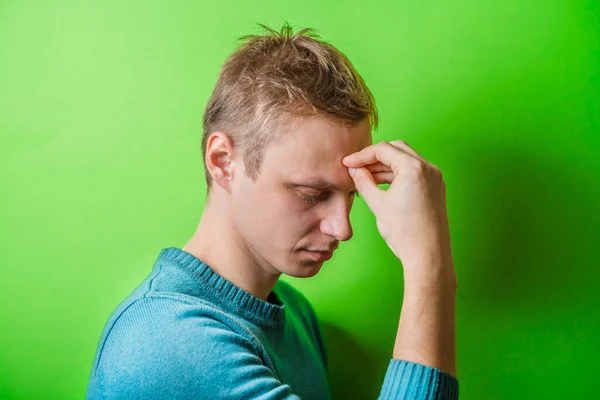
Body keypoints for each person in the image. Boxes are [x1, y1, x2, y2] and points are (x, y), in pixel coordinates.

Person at [86, 23, 459, 399]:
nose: (342, 228)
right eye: (312, 194)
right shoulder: (168, 341)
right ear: (222, 161)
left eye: (351, 195)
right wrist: (429, 266)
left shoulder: (295, 313)